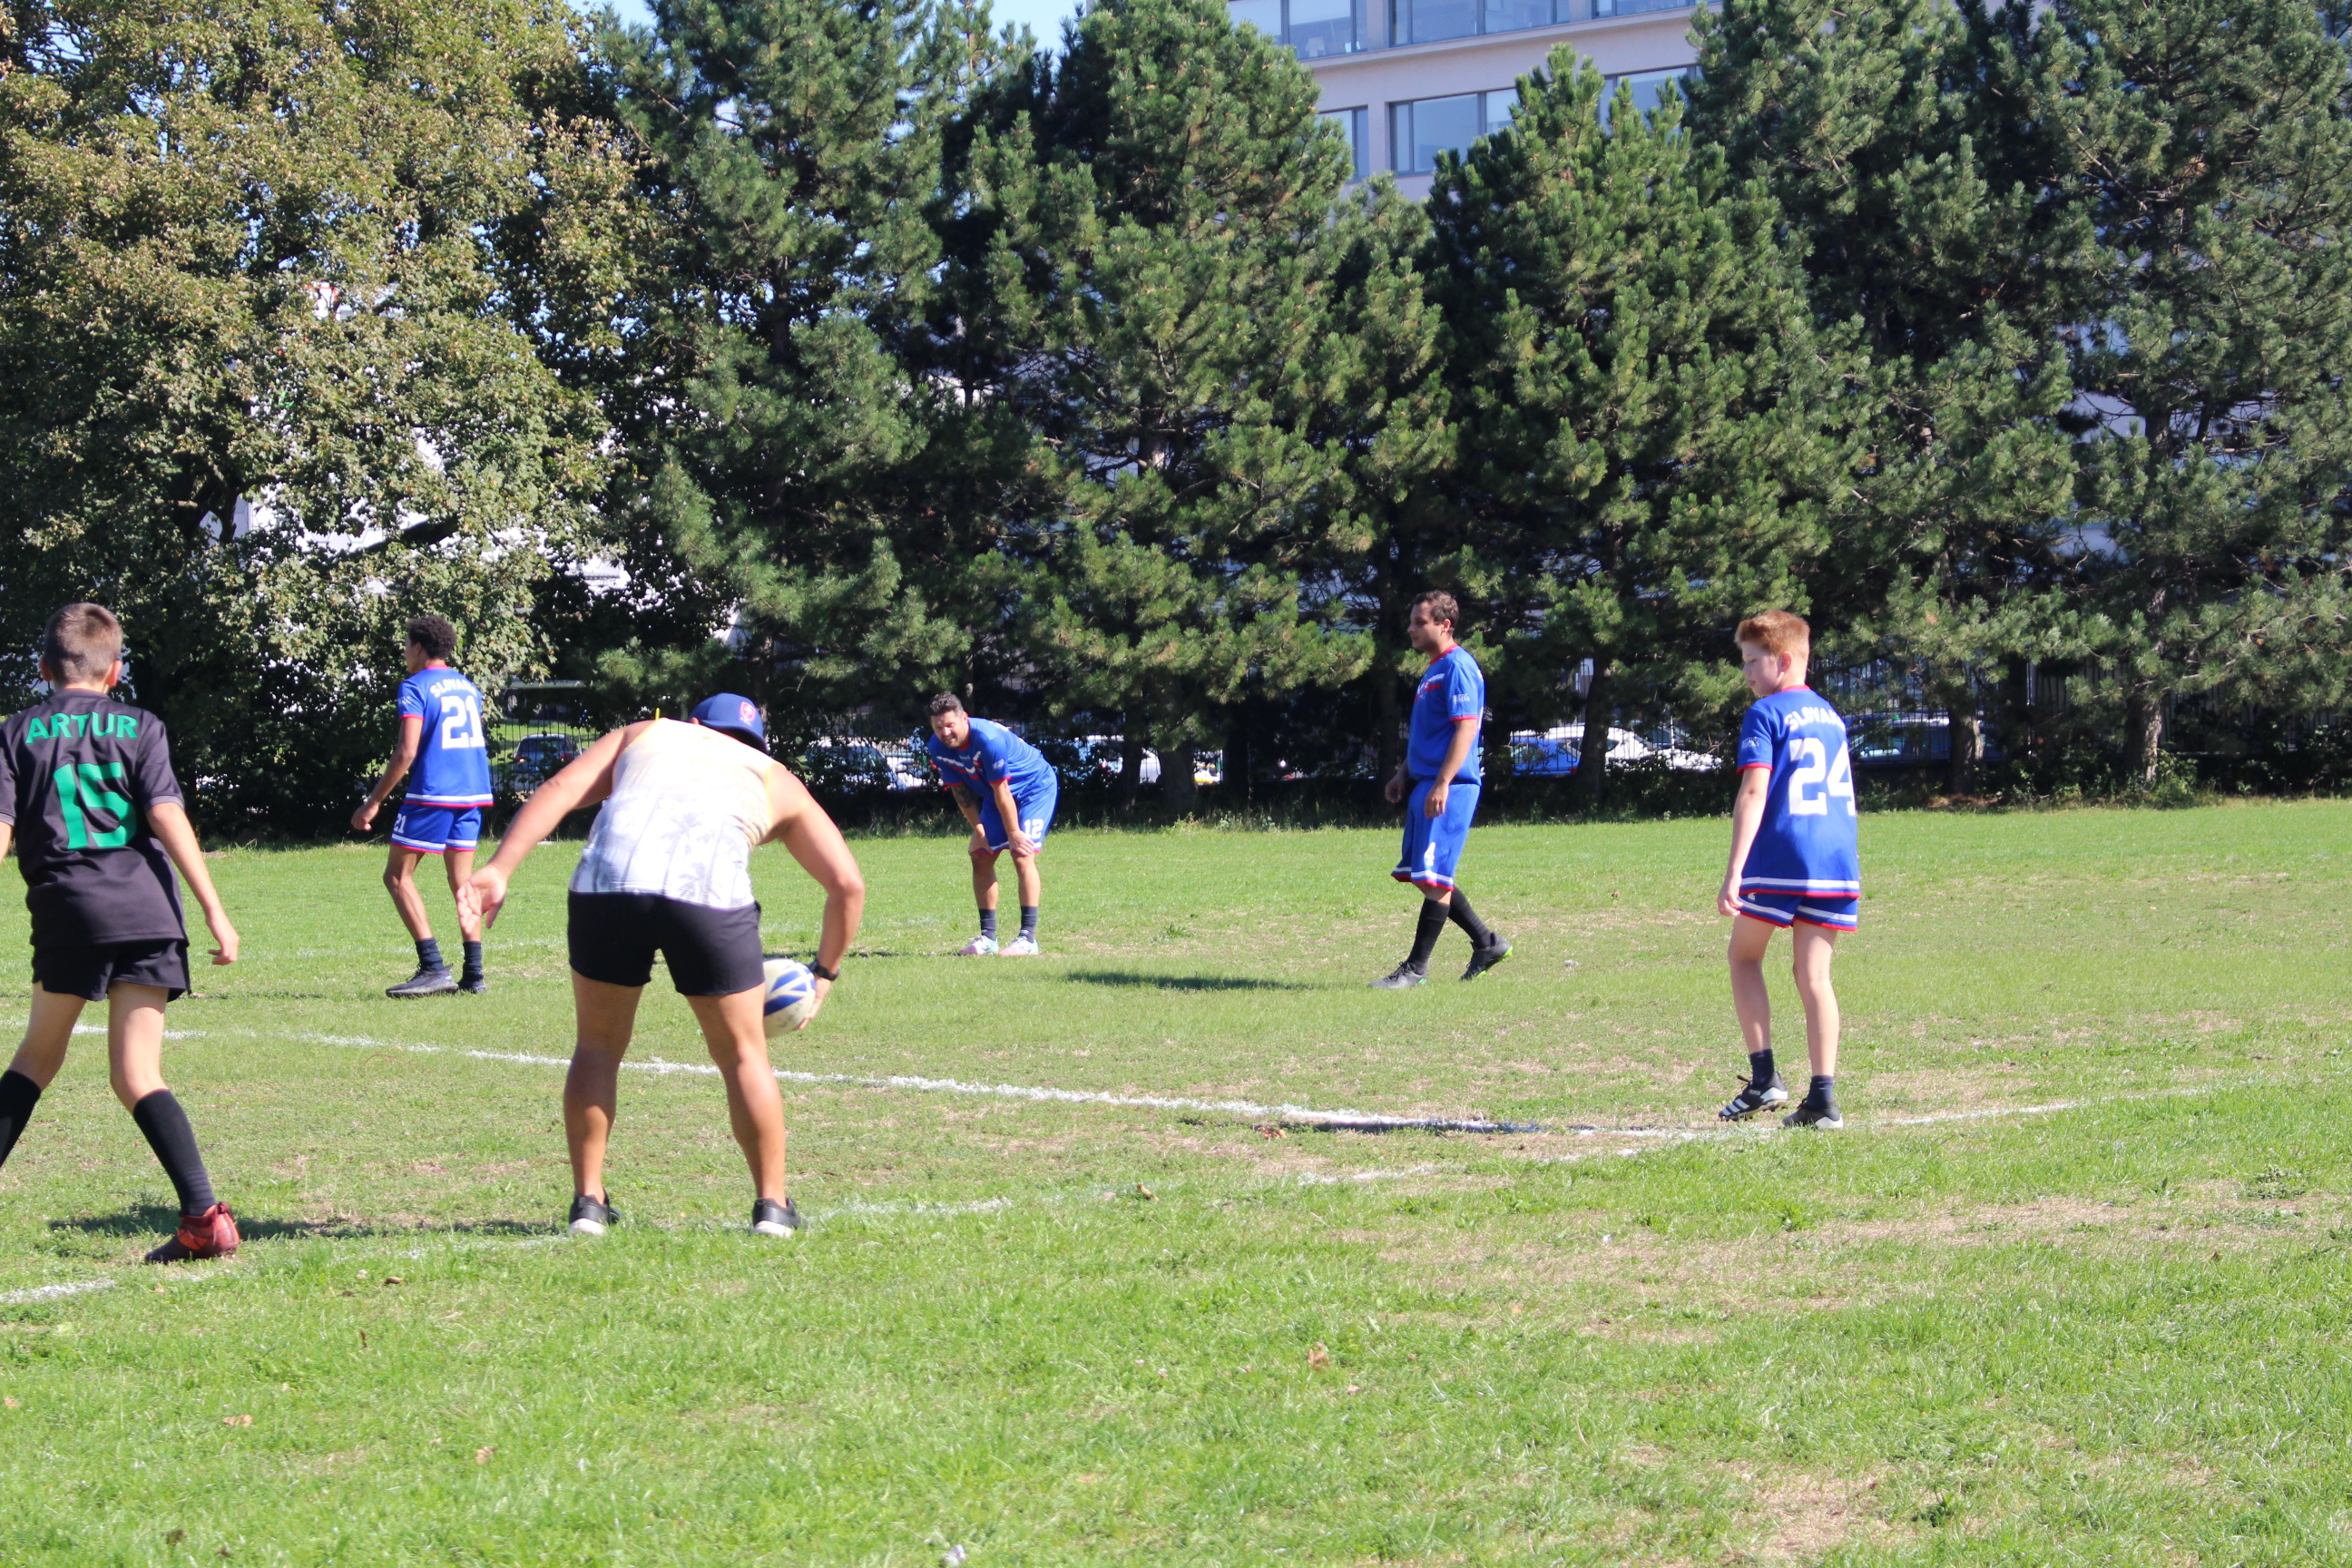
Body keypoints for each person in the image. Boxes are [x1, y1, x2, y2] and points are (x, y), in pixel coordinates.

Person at [461, 693, 864, 1240]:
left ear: (693, 723)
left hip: (609, 883)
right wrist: (824, 974)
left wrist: (501, 867)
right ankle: (772, 1207)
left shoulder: (646, 732)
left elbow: (558, 790)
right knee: (744, 1056)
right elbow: (848, 885)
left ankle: (588, 1205)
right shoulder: (774, 775)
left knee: (597, 1047)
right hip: (708, 894)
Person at [0, 603, 243, 1262]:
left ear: (44, 668)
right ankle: (203, 1217)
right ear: (115, 673)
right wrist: (215, 909)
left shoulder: (16, 732)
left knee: (34, 1061)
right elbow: (166, 815)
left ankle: (203, 1220)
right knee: (137, 1073)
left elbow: (2, 828)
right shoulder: (142, 725)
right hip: (147, 911)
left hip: (70, 910)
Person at [1715, 610, 1858, 1130]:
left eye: (1753, 661)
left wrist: (1734, 870)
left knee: (1744, 957)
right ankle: (1823, 1099)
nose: (1746, 673)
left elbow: (1754, 791)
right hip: (1836, 859)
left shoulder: (1766, 713)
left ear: (1784, 660)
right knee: (1814, 975)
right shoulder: (1831, 715)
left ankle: (1764, 1077)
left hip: (1783, 854)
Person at [1372, 592, 1511, 987]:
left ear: (1445, 625)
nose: (1411, 629)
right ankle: (1487, 943)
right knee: (1425, 876)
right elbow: (1430, 733)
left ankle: (1415, 970)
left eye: (1420, 622)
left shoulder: (1458, 667)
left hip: (1450, 787)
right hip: (1426, 784)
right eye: (1411, 621)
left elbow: (1466, 728)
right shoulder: (1434, 669)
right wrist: (1403, 773)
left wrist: (1443, 782)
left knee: (1434, 879)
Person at [351, 615, 494, 997]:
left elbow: (406, 751)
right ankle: (474, 975)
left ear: (418, 647)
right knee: (462, 882)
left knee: (397, 877)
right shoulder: (468, 687)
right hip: (473, 793)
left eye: (405, 646)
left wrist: (373, 802)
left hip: (433, 794)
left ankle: (433, 968)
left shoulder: (415, 686)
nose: (404, 653)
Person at [924, 694, 1058, 956]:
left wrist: (1014, 833)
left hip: (1033, 788)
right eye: (938, 727)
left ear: (964, 718)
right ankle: (988, 940)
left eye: (950, 725)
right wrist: (979, 830)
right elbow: (960, 791)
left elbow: (1003, 790)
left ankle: (1027, 939)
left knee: (1022, 854)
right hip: (996, 795)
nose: (945, 732)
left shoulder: (988, 739)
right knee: (980, 855)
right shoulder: (937, 747)